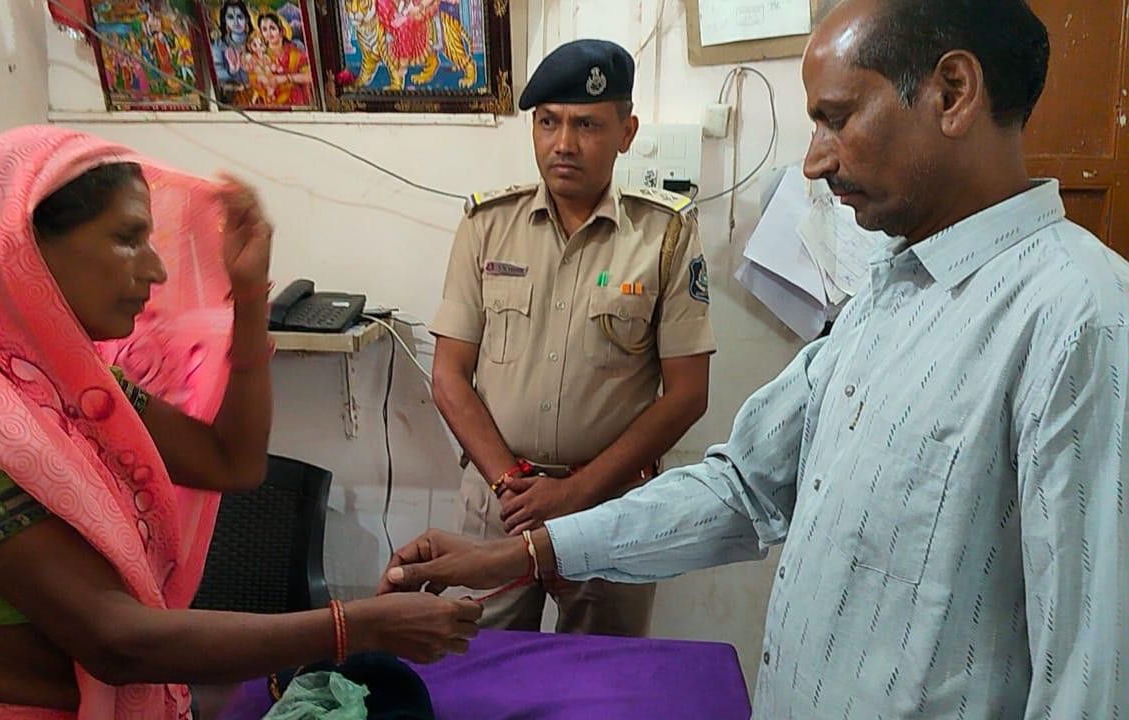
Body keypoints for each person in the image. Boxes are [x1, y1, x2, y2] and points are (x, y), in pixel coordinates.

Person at [383, 1, 1129, 716]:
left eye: (835, 117)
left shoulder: (1080, 317)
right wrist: (523, 554)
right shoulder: (888, 294)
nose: (813, 162)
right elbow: (744, 488)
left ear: (952, 93)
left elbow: (1093, 676)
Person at [0, 126, 480, 719]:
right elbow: (114, 641)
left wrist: (252, 294)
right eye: (127, 238)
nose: (154, 269)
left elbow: (231, 461)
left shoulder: (76, 392)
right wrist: (356, 626)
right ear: (22, 247)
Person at [426, 39, 714, 637]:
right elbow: (450, 375)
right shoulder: (487, 226)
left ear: (626, 132)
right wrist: (513, 485)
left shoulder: (665, 233)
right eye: (548, 122)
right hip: (499, 505)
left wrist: (575, 493)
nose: (563, 143)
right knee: (486, 671)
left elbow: (688, 394)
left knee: (601, 686)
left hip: (611, 510)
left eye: (586, 124)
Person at [258, 13, 314, 107]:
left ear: (282, 31)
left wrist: (285, 78)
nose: (268, 33)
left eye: (272, 28)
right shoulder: (260, 56)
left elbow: (310, 76)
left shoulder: (295, 53)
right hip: (270, 103)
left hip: (296, 102)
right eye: (264, 29)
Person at [211, 0, 253, 87]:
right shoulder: (219, 45)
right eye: (230, 17)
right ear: (224, 20)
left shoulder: (256, 42)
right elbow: (216, 73)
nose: (236, 22)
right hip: (232, 93)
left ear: (247, 19)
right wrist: (231, 71)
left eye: (240, 17)